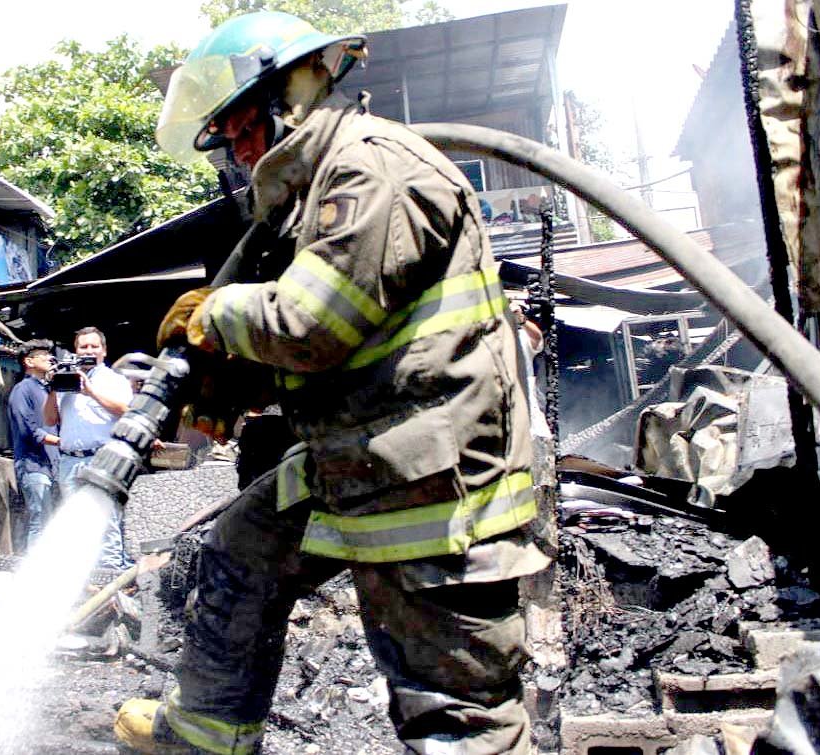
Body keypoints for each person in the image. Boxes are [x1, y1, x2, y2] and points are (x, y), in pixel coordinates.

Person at [115, 12, 549, 754]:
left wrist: (217, 317)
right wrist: (233, 381)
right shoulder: (308, 197)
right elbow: (341, 346)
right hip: (359, 457)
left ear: (296, 92)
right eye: (226, 135)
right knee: (243, 546)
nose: (238, 147)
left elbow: (313, 322)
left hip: (435, 485)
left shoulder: (368, 166)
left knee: (452, 710)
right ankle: (203, 735)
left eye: (244, 125)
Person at [43, 326, 134, 570]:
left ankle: (110, 577)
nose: (89, 351)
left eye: (94, 346)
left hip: (102, 459)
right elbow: (50, 420)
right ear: (75, 350)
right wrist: (52, 389)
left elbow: (126, 412)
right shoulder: (66, 378)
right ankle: (85, 578)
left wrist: (91, 392)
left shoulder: (114, 380)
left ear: (103, 351)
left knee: (105, 522)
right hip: (70, 461)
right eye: (83, 347)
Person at [7, 339, 61, 548]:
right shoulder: (23, 389)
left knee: (50, 521)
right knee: (40, 520)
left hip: (51, 465)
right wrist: (60, 442)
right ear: (28, 361)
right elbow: (27, 429)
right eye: (43, 355)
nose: (50, 359)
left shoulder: (47, 390)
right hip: (33, 464)